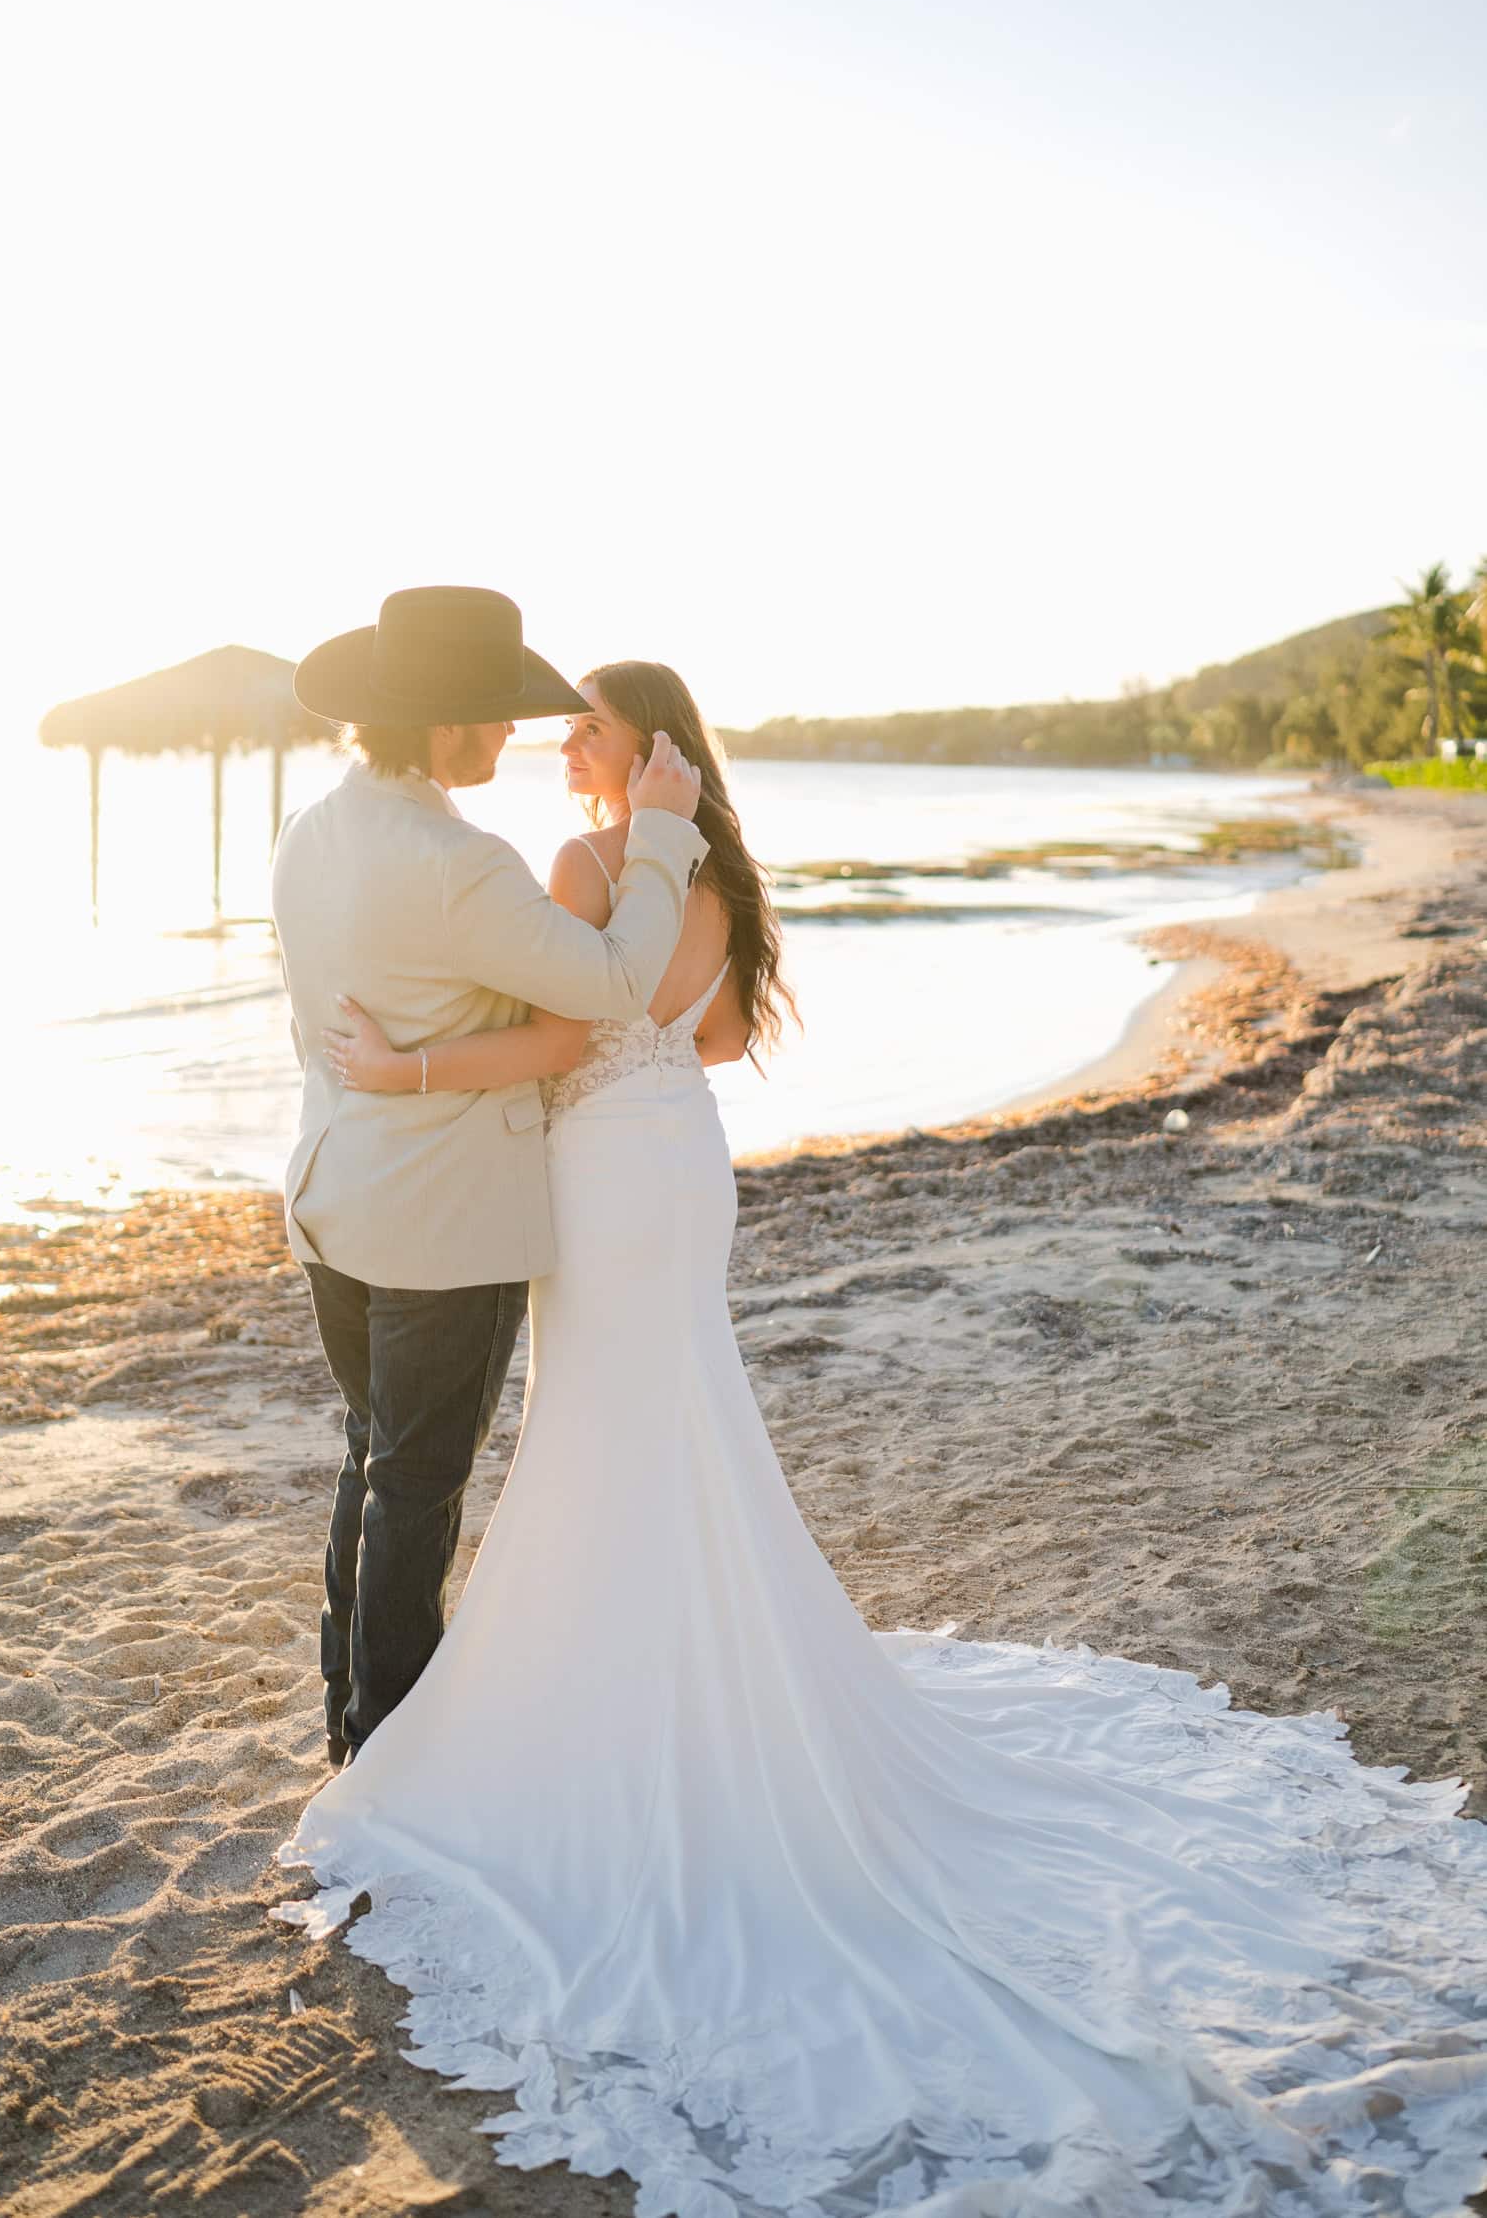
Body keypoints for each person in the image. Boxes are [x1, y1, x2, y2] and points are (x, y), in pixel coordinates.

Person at [274, 661, 1487, 2218]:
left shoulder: (595, 863)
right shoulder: (706, 864)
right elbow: (698, 1043)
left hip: (602, 1182)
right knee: (665, 1433)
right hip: (676, 1171)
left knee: (599, 1441)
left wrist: (412, 1069)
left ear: (644, 749)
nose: (557, 743)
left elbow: (577, 1036)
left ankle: (571, 1698)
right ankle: (647, 1671)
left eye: (582, 725)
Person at [271, 590, 706, 1772]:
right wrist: (663, 833)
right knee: (416, 1487)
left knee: (373, 1457)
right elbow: (616, 982)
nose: (513, 737)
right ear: (446, 722)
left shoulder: (311, 828)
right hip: (440, 1226)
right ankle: (390, 1748)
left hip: (331, 1196)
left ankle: (346, 1713)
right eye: (499, 717)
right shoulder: (465, 865)